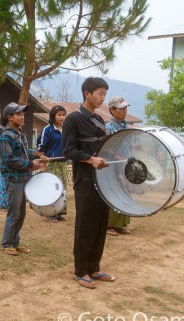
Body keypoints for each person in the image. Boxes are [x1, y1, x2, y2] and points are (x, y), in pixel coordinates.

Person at [62, 77, 115, 289]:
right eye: (100, 93)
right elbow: (68, 150)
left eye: (104, 94)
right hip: (84, 180)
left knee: (101, 224)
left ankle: (94, 267)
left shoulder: (100, 121)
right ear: (87, 93)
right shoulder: (73, 120)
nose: (103, 98)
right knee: (85, 226)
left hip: (102, 181)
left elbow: (103, 148)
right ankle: (81, 271)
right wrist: (91, 159)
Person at [0, 102, 47, 256]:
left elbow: (25, 154)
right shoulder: (6, 136)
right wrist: (29, 164)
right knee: (14, 213)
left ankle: (15, 242)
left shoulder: (21, 134)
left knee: (21, 213)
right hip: (14, 179)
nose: (22, 117)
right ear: (9, 117)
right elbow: (9, 159)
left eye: (23, 114)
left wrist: (38, 158)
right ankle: (7, 244)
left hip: (24, 178)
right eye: (18, 114)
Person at [105, 96, 132, 236]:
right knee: (113, 192)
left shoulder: (125, 125)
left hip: (125, 163)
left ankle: (121, 224)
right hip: (113, 165)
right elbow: (107, 148)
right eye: (121, 109)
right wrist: (117, 157)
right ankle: (109, 225)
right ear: (112, 110)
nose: (124, 111)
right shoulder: (108, 127)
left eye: (125, 108)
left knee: (124, 191)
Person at [37, 105, 69, 222]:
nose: (62, 117)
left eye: (63, 115)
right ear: (53, 116)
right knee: (53, 188)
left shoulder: (65, 130)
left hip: (62, 163)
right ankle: (50, 214)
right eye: (59, 115)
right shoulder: (48, 130)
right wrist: (42, 163)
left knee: (63, 187)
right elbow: (41, 147)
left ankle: (60, 212)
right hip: (51, 163)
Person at [0, 124, 9, 211]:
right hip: (1, 160)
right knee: (2, 183)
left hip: (10, 161)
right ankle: (1, 205)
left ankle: (8, 204)